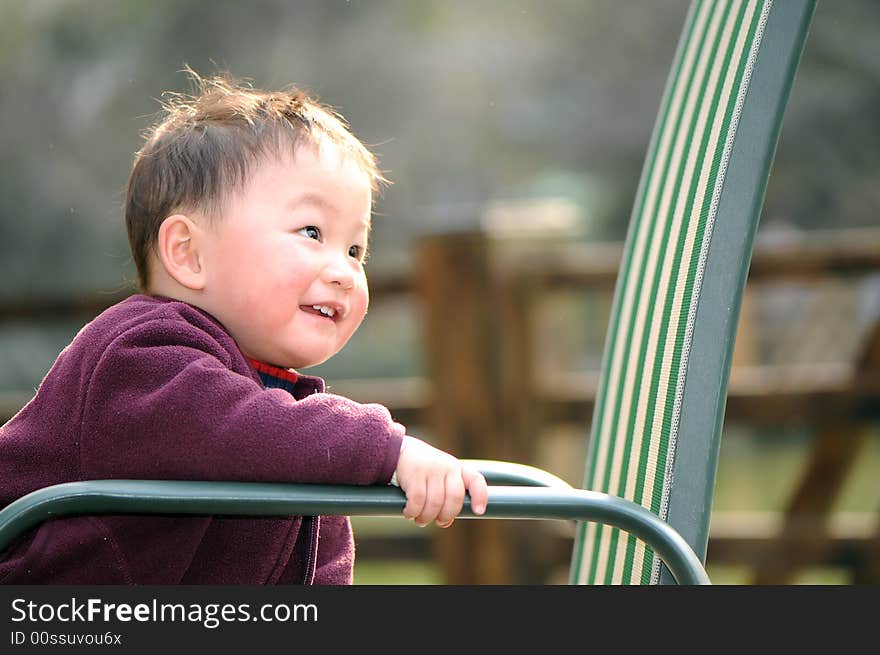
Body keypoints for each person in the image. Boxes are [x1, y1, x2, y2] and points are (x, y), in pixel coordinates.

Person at [0, 70, 488, 584]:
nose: (345, 271)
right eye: (311, 232)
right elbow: (231, 426)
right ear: (189, 254)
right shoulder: (138, 354)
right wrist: (388, 449)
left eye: (355, 249)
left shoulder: (291, 432)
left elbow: (316, 570)